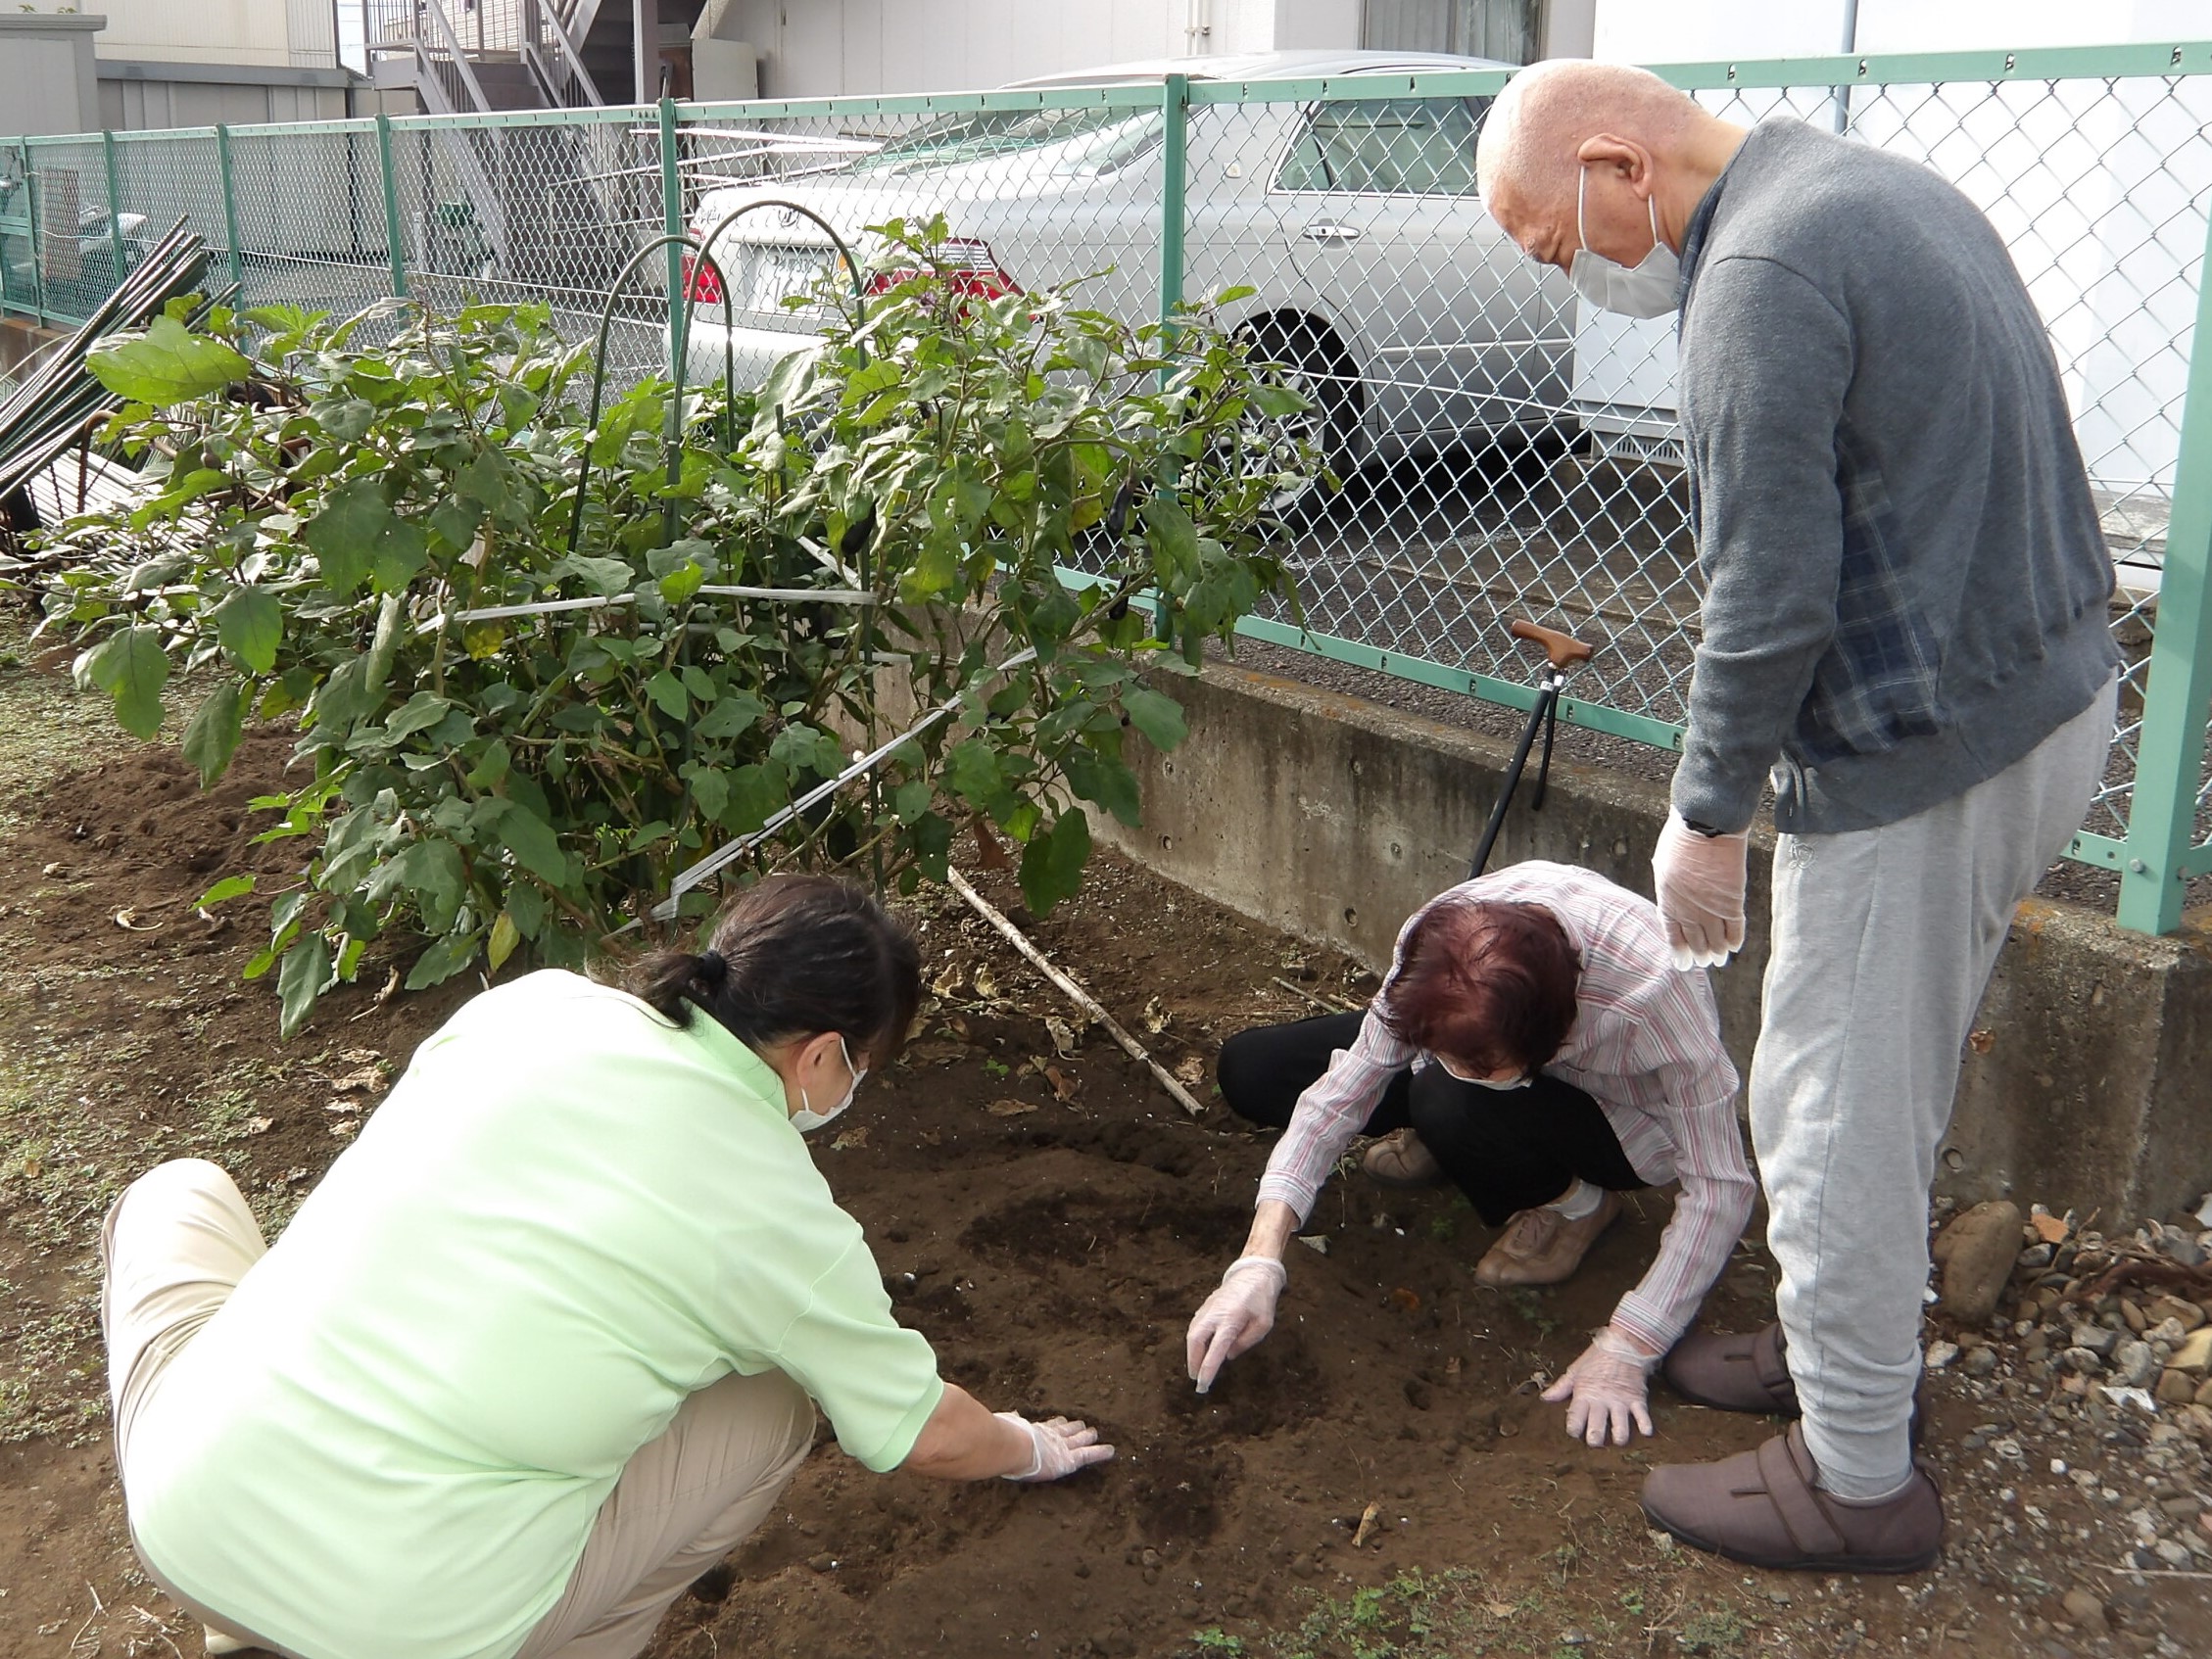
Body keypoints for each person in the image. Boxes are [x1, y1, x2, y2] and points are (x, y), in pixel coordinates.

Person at [1475, 61, 2119, 1573]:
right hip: (2044, 692)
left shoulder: (1757, 276)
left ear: (1618, 165)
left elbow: (1763, 593)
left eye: (1559, 244)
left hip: (1923, 761)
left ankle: (1855, 1474)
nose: (1577, 278)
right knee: (1880, 1090)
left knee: (1826, 1119)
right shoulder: (1870, 188)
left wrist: (1704, 812)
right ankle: (1839, 1348)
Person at [99, 876, 1112, 1659]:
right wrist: (1028, 1446)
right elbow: (924, 1433)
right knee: (773, 1409)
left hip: (193, 1520)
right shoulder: (781, 1215)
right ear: (822, 1056)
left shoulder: (532, 1007)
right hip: (403, 1625)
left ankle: (243, 1623)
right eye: (862, 1069)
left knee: (178, 1192)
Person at [1185, 860, 1755, 1449]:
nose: (1440, 1061)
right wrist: (1258, 1262)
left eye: (1475, 1064)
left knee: (1443, 1097)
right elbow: (1340, 1095)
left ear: (1549, 1040)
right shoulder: (1439, 939)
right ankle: (1457, 1132)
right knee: (1256, 1070)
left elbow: (1721, 1186)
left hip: (1616, 1116)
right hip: (1489, 1058)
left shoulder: (1657, 993)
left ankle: (1575, 1205)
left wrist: (1632, 1344)